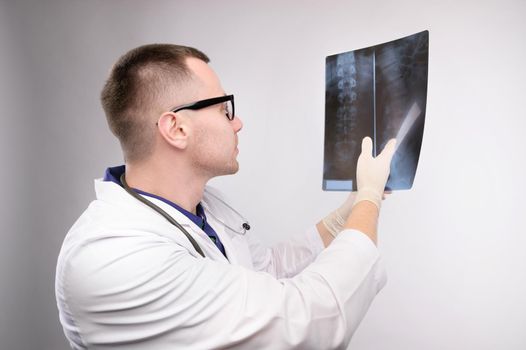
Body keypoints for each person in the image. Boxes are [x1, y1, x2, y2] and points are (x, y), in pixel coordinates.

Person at [55, 44, 396, 350]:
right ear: (176, 129)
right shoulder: (114, 255)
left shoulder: (205, 206)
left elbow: (267, 272)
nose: (238, 123)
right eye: (224, 110)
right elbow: (306, 324)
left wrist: (345, 214)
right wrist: (368, 201)